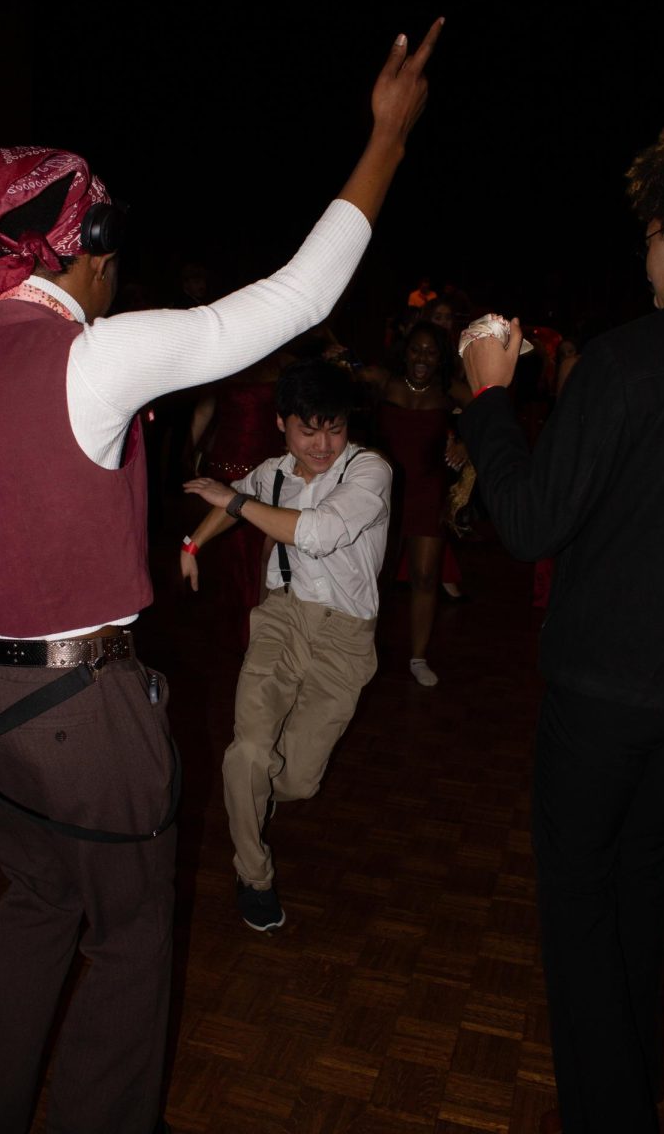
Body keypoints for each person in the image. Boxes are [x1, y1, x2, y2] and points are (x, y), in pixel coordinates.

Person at [0, 18, 443, 1134]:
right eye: (111, 248)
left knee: (34, 901)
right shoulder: (88, 354)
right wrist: (387, 140)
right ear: (86, 246)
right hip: (77, 711)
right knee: (126, 941)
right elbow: (294, 299)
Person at [458, 122, 664, 1134]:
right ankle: (637, 1082)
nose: (644, 254)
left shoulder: (626, 363)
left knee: (576, 899)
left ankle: (611, 1113)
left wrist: (491, 395)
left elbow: (528, 522)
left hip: (605, 697)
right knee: (640, 880)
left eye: (649, 232)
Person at [180, 357, 391, 931]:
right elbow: (231, 502)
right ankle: (254, 875)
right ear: (281, 423)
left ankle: (246, 796)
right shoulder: (271, 473)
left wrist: (233, 503)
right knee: (248, 752)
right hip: (280, 620)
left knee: (297, 780)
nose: (323, 443)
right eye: (308, 428)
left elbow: (316, 532)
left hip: (345, 639)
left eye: (335, 427)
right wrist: (195, 544)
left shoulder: (369, 472)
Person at [369, 320, 471, 685]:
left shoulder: (450, 390)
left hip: (429, 491)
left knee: (425, 576)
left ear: (440, 357)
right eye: (416, 349)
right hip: (383, 493)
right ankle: (361, 651)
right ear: (405, 351)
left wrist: (465, 442)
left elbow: (491, 414)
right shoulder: (384, 381)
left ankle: (418, 658)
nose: (422, 358)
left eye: (430, 351)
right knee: (374, 577)